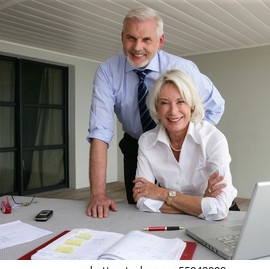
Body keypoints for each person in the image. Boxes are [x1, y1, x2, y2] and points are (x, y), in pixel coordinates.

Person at [87, 6, 225, 218]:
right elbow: (100, 133)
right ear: (122, 37)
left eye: (146, 40)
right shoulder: (107, 72)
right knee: (140, 208)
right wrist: (98, 194)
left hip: (183, 145)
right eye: (131, 38)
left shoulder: (183, 68)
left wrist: (187, 138)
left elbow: (215, 106)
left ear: (160, 41)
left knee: (195, 203)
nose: (137, 47)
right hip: (137, 144)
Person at [133, 69, 237, 221]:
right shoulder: (146, 142)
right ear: (157, 108)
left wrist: (161, 193)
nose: (173, 111)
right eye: (164, 103)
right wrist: (200, 204)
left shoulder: (213, 139)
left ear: (192, 106)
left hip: (222, 219)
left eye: (181, 101)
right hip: (181, 218)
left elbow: (219, 209)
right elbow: (142, 201)